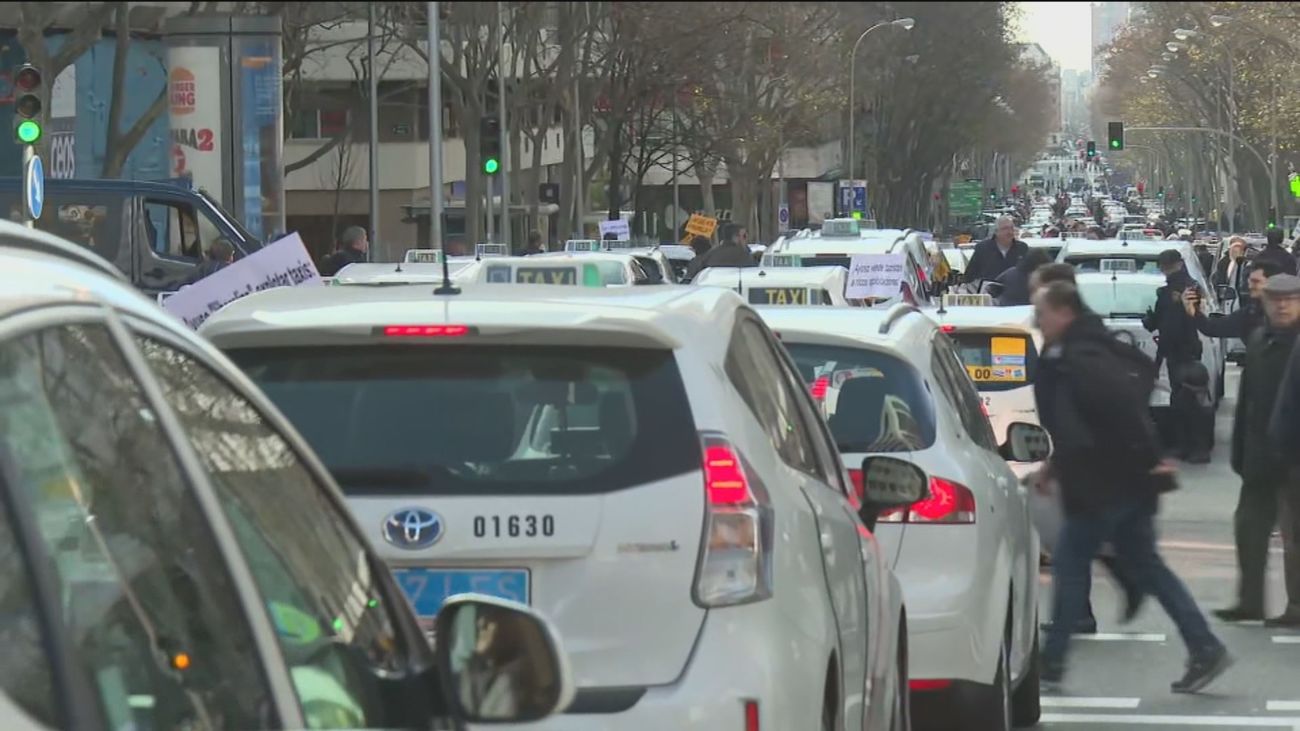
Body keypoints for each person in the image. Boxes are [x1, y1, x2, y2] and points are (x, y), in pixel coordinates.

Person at [1033, 281, 1232, 693]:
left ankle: (1052, 664)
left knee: (1071, 567)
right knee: (1150, 568)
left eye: (1042, 313)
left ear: (1064, 312)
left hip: (1103, 484)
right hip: (1125, 482)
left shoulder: (1078, 357)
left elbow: (1104, 417)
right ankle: (1204, 645)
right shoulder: (1091, 347)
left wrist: (1077, 466)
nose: (1038, 321)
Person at [1029, 265, 1145, 634]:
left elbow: (1092, 403)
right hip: (1077, 455)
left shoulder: (1079, 342)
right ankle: (1086, 609)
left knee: (1076, 541)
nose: (1035, 313)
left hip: (1088, 457)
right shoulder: (1060, 338)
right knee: (1081, 539)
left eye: (1040, 304)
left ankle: (1069, 629)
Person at [1216, 274, 1300, 625]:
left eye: (1290, 299)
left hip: (1294, 456)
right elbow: (1246, 400)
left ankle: (1296, 606)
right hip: (1259, 454)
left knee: (1294, 536)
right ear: (1264, 301)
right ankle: (1250, 600)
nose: (1282, 305)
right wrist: (1239, 451)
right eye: (1275, 299)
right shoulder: (1258, 339)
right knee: (1248, 528)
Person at [1144, 249, 1208, 461]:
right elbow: (1163, 321)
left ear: (1179, 264)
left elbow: (1177, 321)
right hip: (1180, 350)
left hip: (1182, 350)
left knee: (1186, 400)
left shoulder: (1184, 289)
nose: (1166, 270)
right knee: (1185, 399)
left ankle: (1192, 446)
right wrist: (1151, 320)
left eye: (1168, 265)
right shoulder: (1172, 290)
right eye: (1164, 266)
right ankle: (1188, 445)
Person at [1185, 259, 1279, 341]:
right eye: (1249, 281)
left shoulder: (1288, 309)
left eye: (1256, 282)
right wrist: (1195, 311)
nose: (1250, 286)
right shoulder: (1250, 313)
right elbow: (1213, 328)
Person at [963, 215, 1028, 285]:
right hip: (989, 292)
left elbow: (1030, 273)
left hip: (1015, 293)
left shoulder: (1022, 248)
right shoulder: (982, 249)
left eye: (1011, 228)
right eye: (1005, 229)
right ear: (996, 231)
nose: (1009, 232)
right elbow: (969, 276)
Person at [684, 223, 756, 280]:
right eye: (744, 236)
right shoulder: (743, 255)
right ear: (735, 237)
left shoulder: (709, 255)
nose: (747, 239)